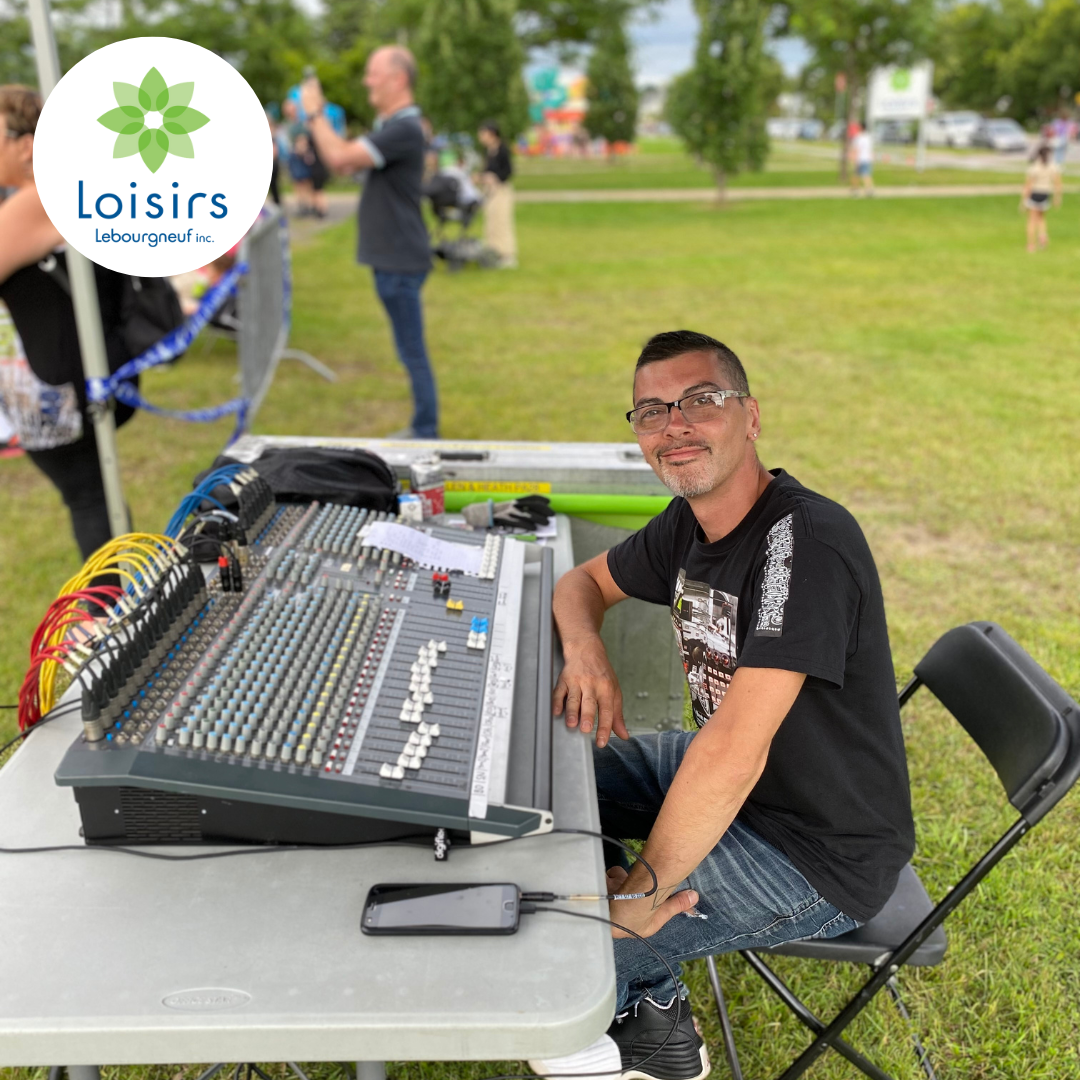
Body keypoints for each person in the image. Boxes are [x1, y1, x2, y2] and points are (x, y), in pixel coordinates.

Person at [531, 330, 915, 1080]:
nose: (674, 426)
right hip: (734, 785)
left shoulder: (805, 543)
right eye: (651, 410)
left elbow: (735, 751)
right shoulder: (691, 520)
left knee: (565, 943)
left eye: (700, 401)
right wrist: (587, 649)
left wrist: (644, 891)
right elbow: (580, 585)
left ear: (751, 417)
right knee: (550, 784)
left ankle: (656, 1028)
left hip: (817, 849)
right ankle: (617, 927)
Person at [0, 85, 133, 559]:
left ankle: (110, 613)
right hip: (86, 371)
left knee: (89, 497)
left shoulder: (38, 200)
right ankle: (121, 606)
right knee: (96, 493)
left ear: (26, 144)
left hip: (58, 388)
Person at [300, 47, 437, 439]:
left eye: (373, 73)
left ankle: (426, 430)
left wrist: (314, 114)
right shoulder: (395, 125)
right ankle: (424, 425)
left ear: (398, 79)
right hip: (396, 258)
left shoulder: (405, 128)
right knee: (409, 348)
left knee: (412, 351)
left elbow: (341, 159)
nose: (366, 81)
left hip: (399, 260)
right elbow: (339, 157)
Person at [477, 121, 517, 268]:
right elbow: (486, 170)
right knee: (491, 222)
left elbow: (508, 171)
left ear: (492, 134)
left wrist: (495, 177)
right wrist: (480, 177)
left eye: (483, 134)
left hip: (501, 190)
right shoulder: (488, 151)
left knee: (502, 221)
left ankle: (508, 254)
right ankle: (493, 252)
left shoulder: (502, 150)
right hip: (489, 191)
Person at [1021, 145, 1063, 253]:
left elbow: (1028, 185)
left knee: (1031, 220)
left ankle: (1031, 245)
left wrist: (1023, 201)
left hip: (1035, 193)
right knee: (1041, 218)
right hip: (1045, 194)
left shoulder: (1034, 167)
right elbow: (1058, 183)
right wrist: (1057, 197)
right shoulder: (1052, 166)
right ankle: (1043, 236)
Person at [849, 123, 874, 196]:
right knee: (867, 175)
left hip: (860, 158)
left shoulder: (858, 137)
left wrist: (854, 159)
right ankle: (869, 189)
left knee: (856, 175)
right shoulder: (868, 137)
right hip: (867, 158)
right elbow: (870, 149)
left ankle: (855, 190)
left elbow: (856, 149)